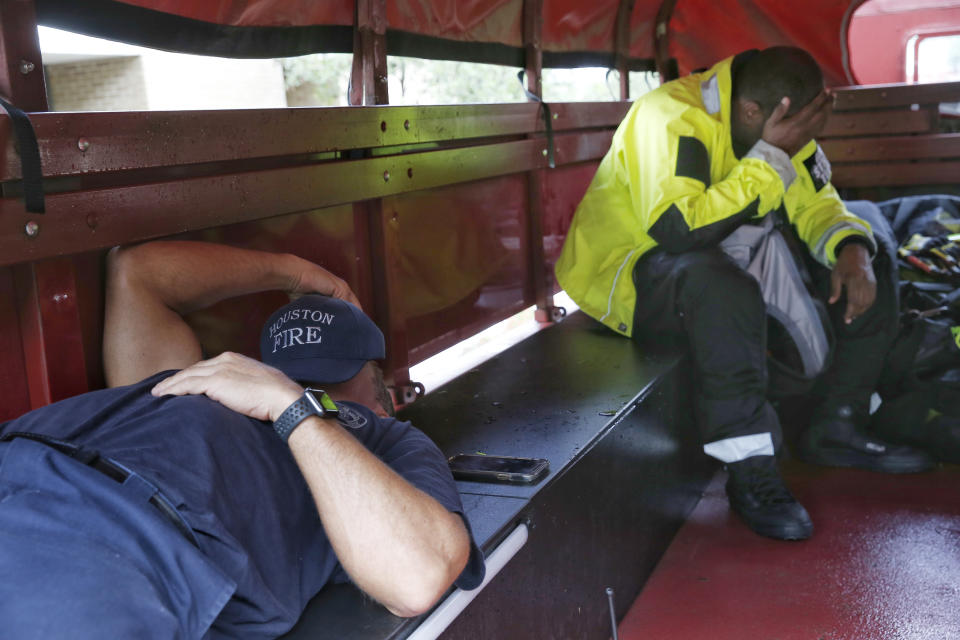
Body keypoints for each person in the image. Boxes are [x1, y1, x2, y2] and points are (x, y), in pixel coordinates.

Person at [0, 240, 484, 639]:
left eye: (334, 386)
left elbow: (417, 577)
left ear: (383, 402)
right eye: (294, 376)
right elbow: (138, 271)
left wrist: (292, 407)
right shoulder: (203, 382)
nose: (307, 388)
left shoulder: (386, 440)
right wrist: (296, 274)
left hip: (106, 539)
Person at [555, 47, 933, 542]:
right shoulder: (670, 116)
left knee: (870, 248)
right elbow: (677, 228)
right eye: (797, 133)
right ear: (757, 112)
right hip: (631, 268)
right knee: (719, 286)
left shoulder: (781, 122)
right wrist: (771, 157)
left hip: (724, 248)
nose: (803, 142)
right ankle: (751, 469)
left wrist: (851, 247)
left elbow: (817, 203)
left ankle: (840, 422)